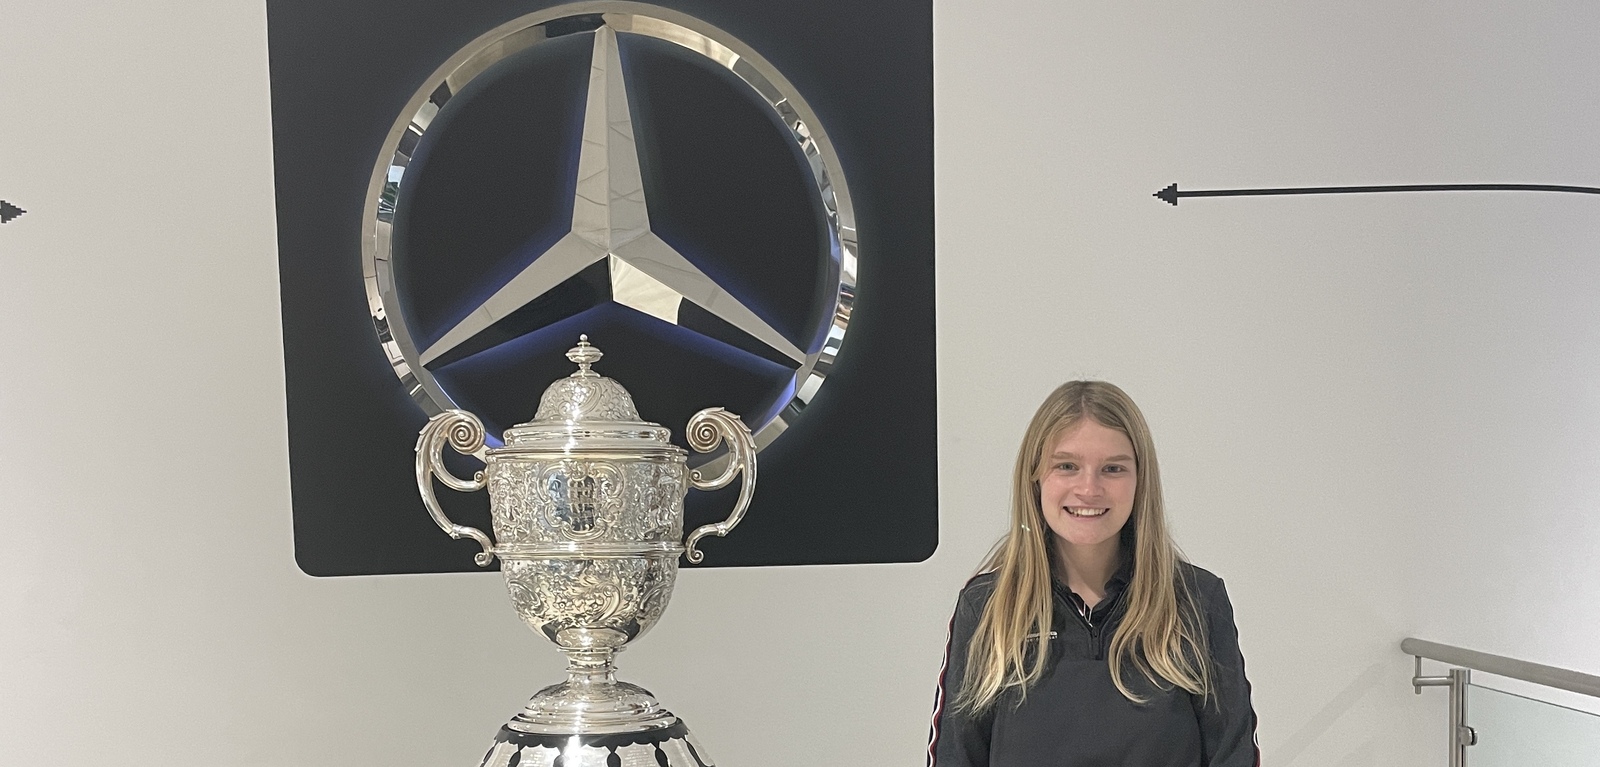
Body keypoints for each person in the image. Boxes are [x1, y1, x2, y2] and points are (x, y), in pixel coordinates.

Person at [927, 381, 1259, 767]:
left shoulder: (1197, 600)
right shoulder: (987, 607)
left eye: (1112, 468)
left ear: (1140, 481)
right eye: (1067, 465)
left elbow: (1233, 756)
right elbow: (955, 757)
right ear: (1035, 478)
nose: (1089, 488)